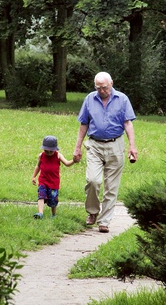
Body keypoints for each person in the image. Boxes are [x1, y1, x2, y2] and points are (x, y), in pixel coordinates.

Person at [73, 71, 137, 233]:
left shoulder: (122, 99)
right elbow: (83, 124)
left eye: (105, 87)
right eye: (98, 88)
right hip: (94, 144)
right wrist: (78, 147)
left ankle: (104, 221)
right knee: (93, 180)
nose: (102, 91)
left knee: (111, 186)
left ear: (111, 84)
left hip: (116, 144)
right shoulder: (89, 99)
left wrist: (132, 146)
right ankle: (93, 212)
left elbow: (128, 123)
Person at [32, 135, 76, 219]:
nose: (48, 153)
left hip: (53, 183)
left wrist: (74, 160)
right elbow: (38, 166)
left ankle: (53, 214)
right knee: (41, 196)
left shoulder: (58, 155)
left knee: (53, 200)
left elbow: (67, 163)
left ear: (55, 149)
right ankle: (40, 213)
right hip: (43, 181)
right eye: (46, 151)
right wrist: (34, 176)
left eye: (51, 151)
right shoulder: (41, 155)